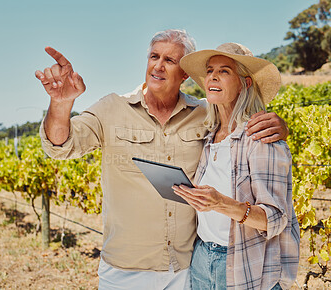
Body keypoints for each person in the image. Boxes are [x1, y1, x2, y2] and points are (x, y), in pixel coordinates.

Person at [35, 30, 289, 289]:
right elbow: (60, 146)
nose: (158, 65)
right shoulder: (111, 108)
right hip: (124, 270)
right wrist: (61, 103)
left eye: (169, 60)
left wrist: (280, 126)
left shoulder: (204, 114)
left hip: (186, 269)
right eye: (154, 56)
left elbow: (238, 122)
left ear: (185, 74)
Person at [173, 43, 300, 289]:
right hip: (201, 259)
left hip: (244, 264)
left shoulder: (261, 138)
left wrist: (221, 204)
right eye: (210, 71)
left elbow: (274, 219)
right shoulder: (208, 136)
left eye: (225, 71)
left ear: (245, 83)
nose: (213, 76)